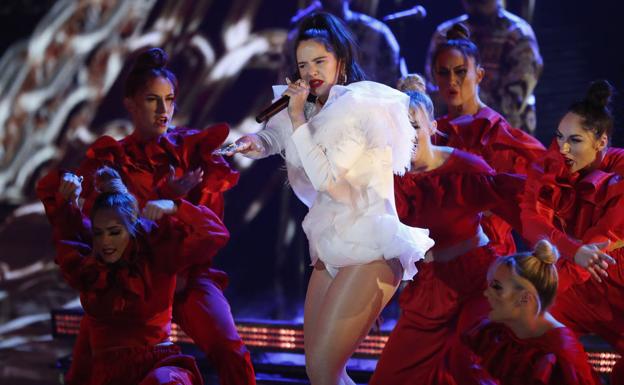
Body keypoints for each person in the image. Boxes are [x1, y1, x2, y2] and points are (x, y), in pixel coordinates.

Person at [222, 12, 433, 385]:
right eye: (304, 65)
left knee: (324, 369)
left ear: (342, 62)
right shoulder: (309, 109)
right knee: (319, 373)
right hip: (330, 246)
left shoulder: (358, 108)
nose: (311, 71)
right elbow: (278, 137)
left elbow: (328, 179)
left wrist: (298, 117)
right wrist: (256, 142)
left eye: (320, 61)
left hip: (370, 250)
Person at [36, 48, 255, 385]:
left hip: (183, 275)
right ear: (131, 103)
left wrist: (178, 207)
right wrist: (73, 194)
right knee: (84, 367)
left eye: (169, 99)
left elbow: (210, 229)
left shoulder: (191, 150)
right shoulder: (112, 160)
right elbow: (100, 227)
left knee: (230, 349)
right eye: (152, 99)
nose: (162, 109)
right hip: (131, 282)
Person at [370, 83, 525, 384]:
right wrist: (371, 300)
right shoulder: (390, 179)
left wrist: (559, 249)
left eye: (414, 126)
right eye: (397, 129)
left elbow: (520, 210)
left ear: (432, 125)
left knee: (468, 364)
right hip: (428, 290)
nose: (406, 136)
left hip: (476, 284)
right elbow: (381, 241)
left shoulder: (465, 168)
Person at [51, 166, 230, 385]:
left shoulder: (156, 256)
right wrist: (69, 198)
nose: (106, 241)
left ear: (131, 229)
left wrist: (175, 206)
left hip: (158, 371)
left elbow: (214, 234)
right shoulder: (88, 268)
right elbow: (67, 229)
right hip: (106, 375)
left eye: (115, 232)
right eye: (99, 233)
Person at [519, 80, 624, 385]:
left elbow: (601, 241)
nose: (563, 148)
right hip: (584, 278)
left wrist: (549, 280)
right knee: (533, 323)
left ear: (601, 141)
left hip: (610, 275)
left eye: (575, 140)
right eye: (559, 137)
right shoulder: (552, 164)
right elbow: (531, 220)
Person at [429, 22, 545, 257]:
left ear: (479, 75)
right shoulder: (433, 132)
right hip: (438, 262)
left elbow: (546, 183)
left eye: (461, 71)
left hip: (490, 261)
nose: (452, 80)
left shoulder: (496, 134)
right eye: (444, 72)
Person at [464, 240, 598, 384]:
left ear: (524, 298)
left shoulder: (560, 357)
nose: (486, 293)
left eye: (496, 287)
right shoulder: (494, 333)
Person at [425, 0, 543, 135]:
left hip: (504, 138)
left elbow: (513, 102)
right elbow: (434, 90)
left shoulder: (518, 33)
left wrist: (466, 99)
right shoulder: (445, 34)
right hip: (453, 136)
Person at [283, 0, 404, 87]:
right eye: (303, 65)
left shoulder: (378, 33)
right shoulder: (298, 38)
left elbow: (399, 84)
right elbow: (285, 84)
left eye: (320, 61)